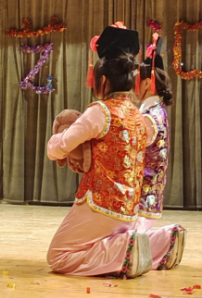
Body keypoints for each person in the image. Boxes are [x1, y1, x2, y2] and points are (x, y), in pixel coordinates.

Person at [46, 25, 152, 278]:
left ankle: (125, 251)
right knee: (90, 246)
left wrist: (56, 138)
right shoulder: (139, 115)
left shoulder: (100, 112)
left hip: (100, 205)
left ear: (102, 81)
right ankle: (159, 240)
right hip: (130, 208)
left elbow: (58, 148)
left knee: (58, 257)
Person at [134, 34, 185, 269]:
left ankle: (165, 240)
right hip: (149, 196)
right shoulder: (157, 111)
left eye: (136, 79)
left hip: (141, 198)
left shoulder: (148, 116)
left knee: (125, 245)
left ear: (147, 82)